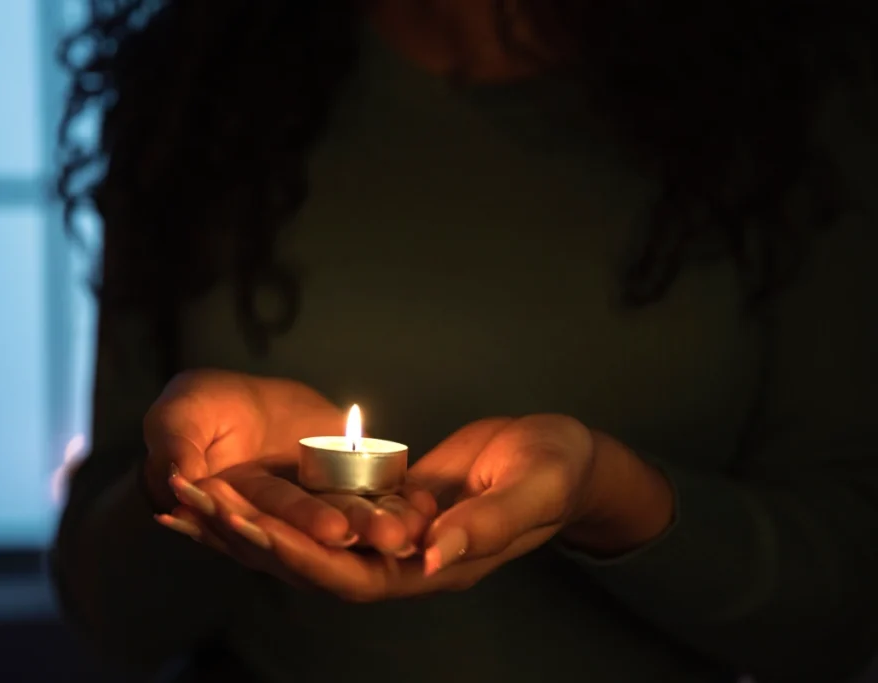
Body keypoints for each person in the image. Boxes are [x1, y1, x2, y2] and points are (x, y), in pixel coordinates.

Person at [52, 1, 878, 682]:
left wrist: (615, 499)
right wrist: (192, 486)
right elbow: (106, 609)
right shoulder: (201, 95)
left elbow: (842, 605)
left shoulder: (797, 104)